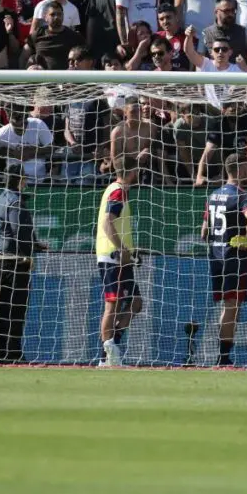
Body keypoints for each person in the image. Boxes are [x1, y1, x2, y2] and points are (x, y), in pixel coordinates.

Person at [200, 153, 247, 366]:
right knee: (232, 307)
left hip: (216, 257)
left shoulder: (213, 195)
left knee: (229, 306)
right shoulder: (242, 196)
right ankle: (223, 357)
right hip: (235, 258)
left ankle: (223, 355)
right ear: (237, 169)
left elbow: (204, 232)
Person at [0, 169, 45, 363]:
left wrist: (35, 243)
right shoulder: (15, 201)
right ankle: (13, 353)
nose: (26, 182)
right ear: (20, 179)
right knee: (16, 307)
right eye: (25, 179)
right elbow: (18, 231)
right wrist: (29, 254)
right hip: (14, 259)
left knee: (2, 306)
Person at [95, 154, 144, 367]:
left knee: (135, 302)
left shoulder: (117, 190)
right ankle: (105, 356)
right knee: (111, 305)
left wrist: (131, 251)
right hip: (113, 257)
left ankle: (112, 346)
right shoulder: (117, 191)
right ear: (134, 171)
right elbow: (107, 223)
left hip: (122, 257)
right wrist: (123, 249)